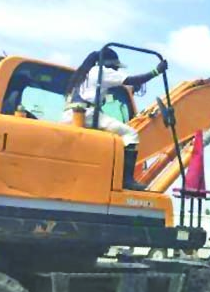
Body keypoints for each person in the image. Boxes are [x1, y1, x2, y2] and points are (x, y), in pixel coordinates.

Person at [63, 48, 167, 190]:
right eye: (115, 67)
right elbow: (130, 79)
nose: (116, 70)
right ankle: (126, 180)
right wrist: (156, 71)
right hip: (88, 114)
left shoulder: (83, 74)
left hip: (70, 115)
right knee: (131, 134)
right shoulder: (101, 71)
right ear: (109, 64)